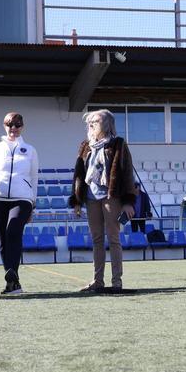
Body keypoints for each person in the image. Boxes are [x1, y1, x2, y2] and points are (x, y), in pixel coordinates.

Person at [70, 109, 136, 293]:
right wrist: (76, 200)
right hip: (91, 198)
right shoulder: (86, 146)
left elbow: (127, 172)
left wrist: (128, 201)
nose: (91, 124)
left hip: (110, 197)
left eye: (96, 121)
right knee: (97, 239)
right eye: (89, 122)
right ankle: (97, 281)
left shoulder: (118, 144)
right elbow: (78, 175)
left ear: (107, 125)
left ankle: (117, 282)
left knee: (114, 239)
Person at [0, 111, 38, 295]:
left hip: (22, 198)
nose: (13, 128)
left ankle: (12, 276)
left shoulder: (30, 150)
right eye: (9, 124)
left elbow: (34, 177)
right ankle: (12, 282)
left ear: (22, 127)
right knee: (1, 239)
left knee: (13, 231)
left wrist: (33, 202)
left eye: (17, 124)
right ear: (4, 126)